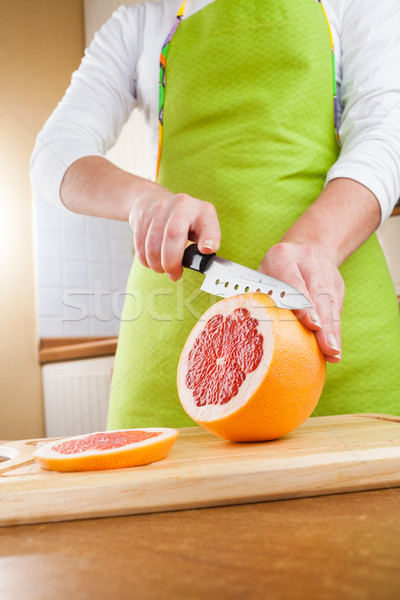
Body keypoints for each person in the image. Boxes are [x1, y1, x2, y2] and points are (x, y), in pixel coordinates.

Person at [30, 0, 400, 428]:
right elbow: (54, 149)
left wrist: (315, 242)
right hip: (171, 343)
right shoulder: (140, 18)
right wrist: (141, 201)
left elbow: (387, 131)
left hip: (336, 336)